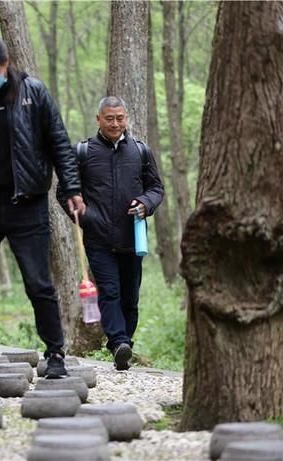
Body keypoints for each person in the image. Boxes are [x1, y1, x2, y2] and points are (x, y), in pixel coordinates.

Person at [0, 36, 85, 378]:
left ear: (6, 65)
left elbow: (59, 142)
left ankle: (55, 353)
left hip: (27, 204)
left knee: (38, 282)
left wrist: (71, 187)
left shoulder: (33, 93)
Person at [70, 96, 164, 370]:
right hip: (98, 237)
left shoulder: (140, 151)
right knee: (109, 291)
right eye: (109, 118)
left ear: (126, 118)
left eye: (120, 118)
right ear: (98, 119)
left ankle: (126, 343)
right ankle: (118, 342)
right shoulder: (83, 152)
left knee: (130, 296)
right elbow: (66, 192)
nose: (115, 123)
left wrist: (145, 204)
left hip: (133, 236)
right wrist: (85, 217)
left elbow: (156, 188)